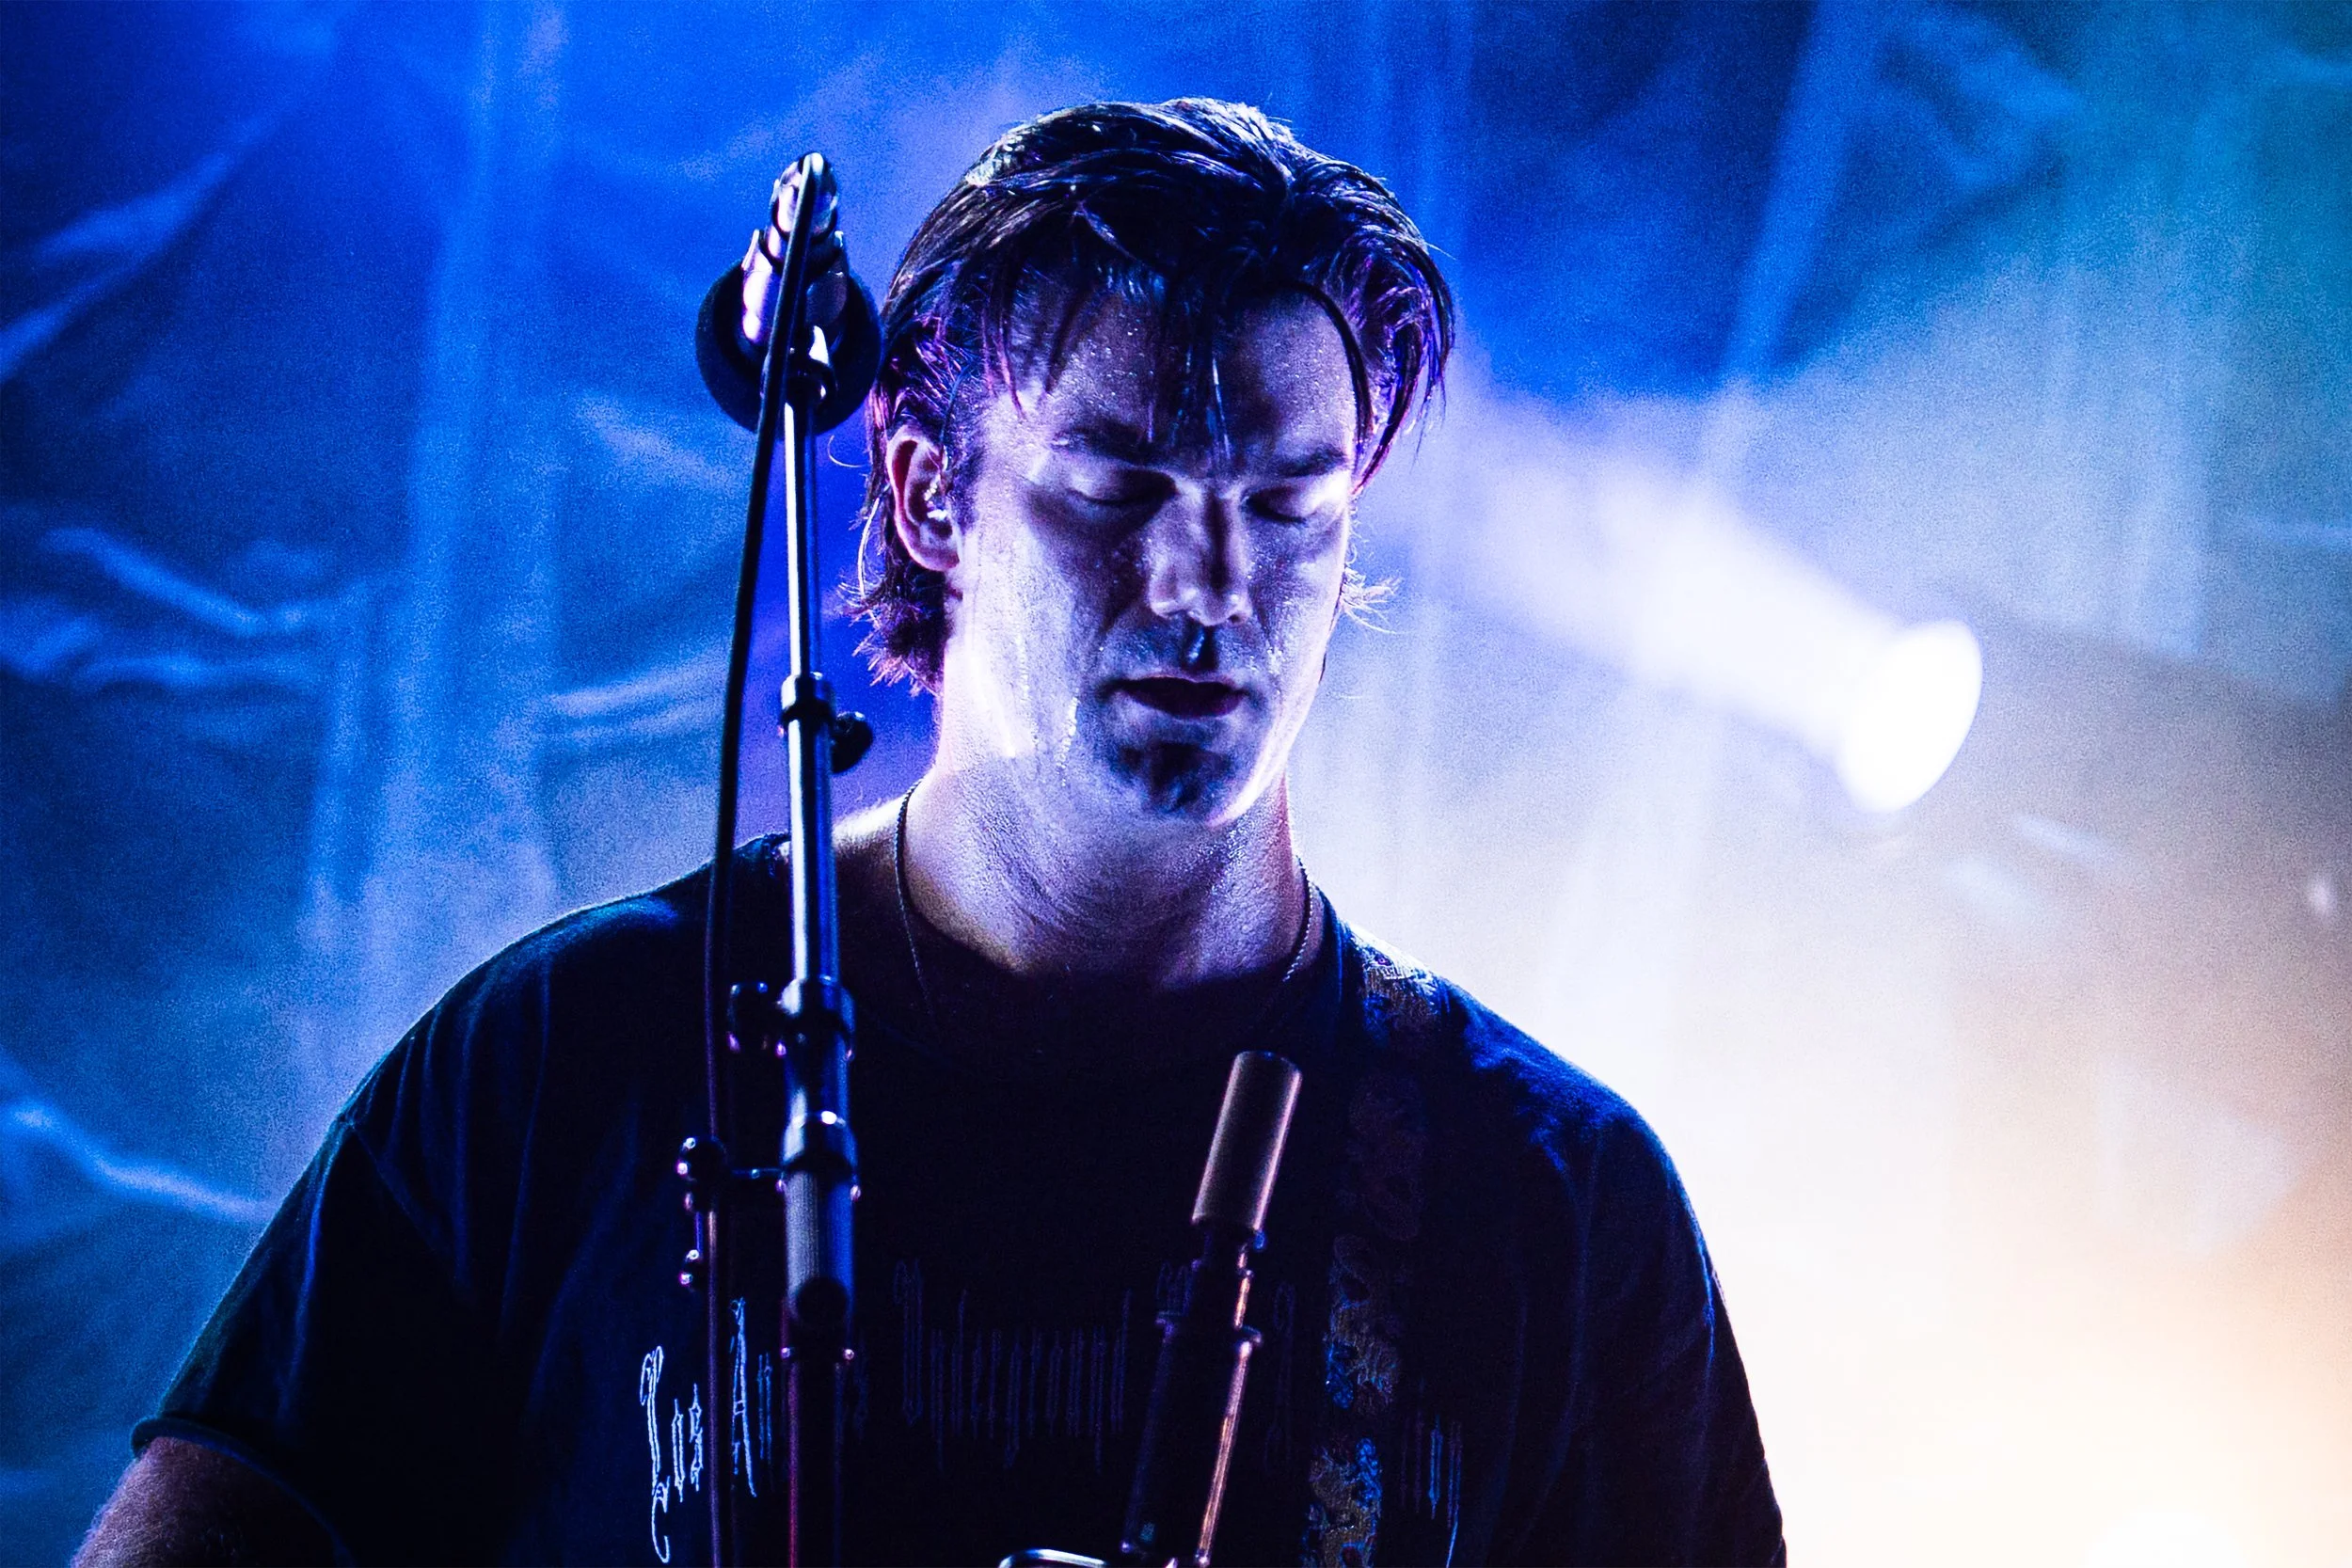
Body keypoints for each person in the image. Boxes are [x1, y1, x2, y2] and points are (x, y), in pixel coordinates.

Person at [80, 98, 1784, 1567]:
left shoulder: (1554, 1199)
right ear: (923, 493)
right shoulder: (561, 1070)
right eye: (1119, 489)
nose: (1210, 592)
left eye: (1286, 508)